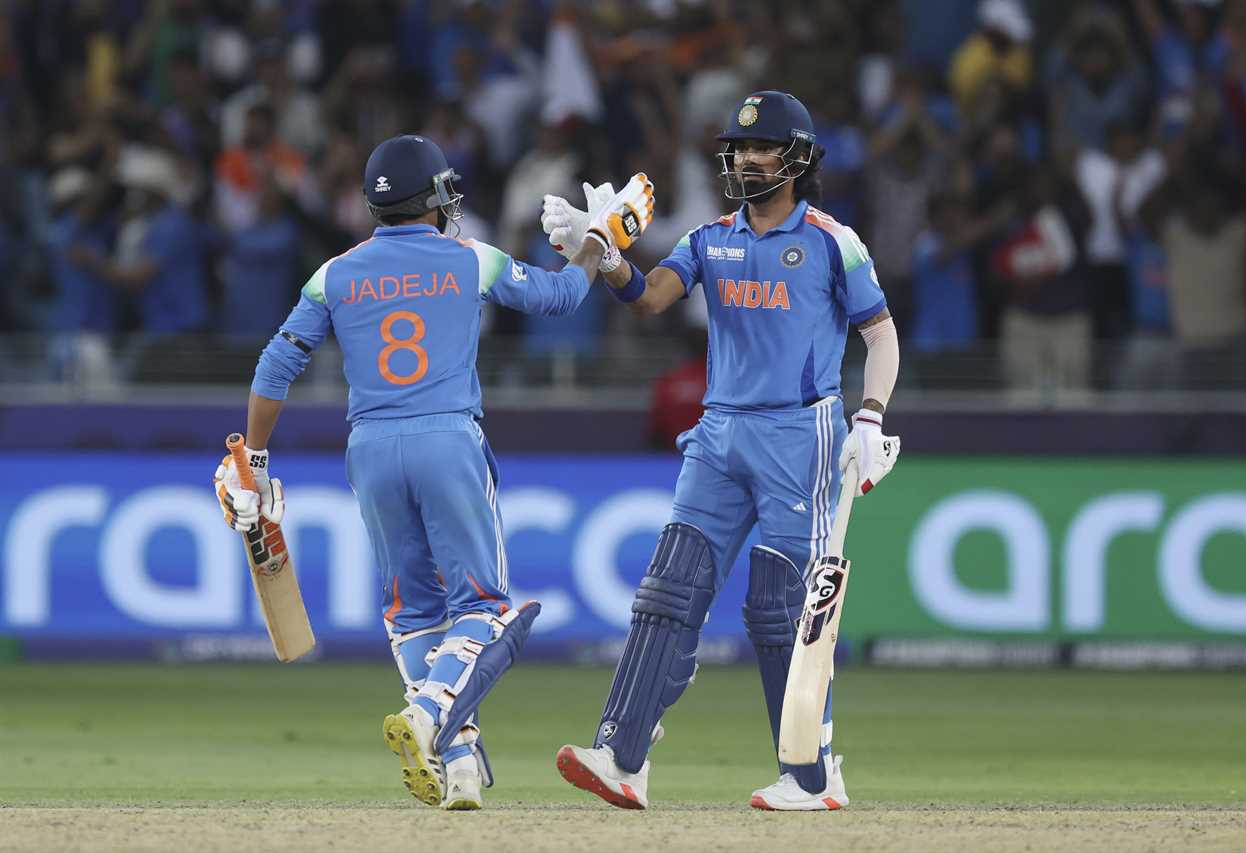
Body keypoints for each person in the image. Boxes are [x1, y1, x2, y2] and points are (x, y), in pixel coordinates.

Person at [211, 134, 654, 811]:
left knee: (414, 611)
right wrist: (598, 242)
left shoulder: (334, 272)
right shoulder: (469, 258)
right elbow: (562, 298)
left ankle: (461, 765)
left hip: (370, 450)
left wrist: (258, 463)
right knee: (486, 607)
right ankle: (428, 717)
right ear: (436, 199)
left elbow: (275, 366)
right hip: (446, 439)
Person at [541, 91, 902, 811]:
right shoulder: (710, 237)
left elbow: (881, 334)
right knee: (668, 587)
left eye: (759, 149)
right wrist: (606, 255)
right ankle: (622, 755)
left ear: (796, 159)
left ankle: (811, 773)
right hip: (719, 430)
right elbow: (649, 297)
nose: (743, 160)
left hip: (800, 432)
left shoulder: (833, 239)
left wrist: (870, 415)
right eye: (736, 150)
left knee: (780, 606)